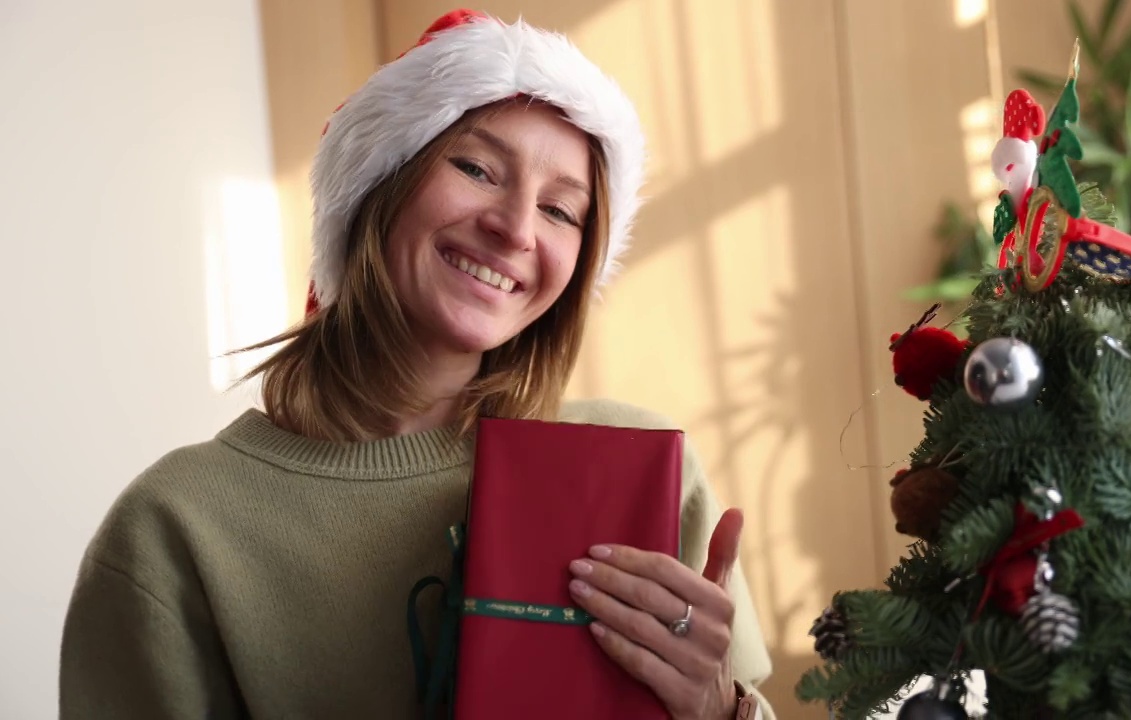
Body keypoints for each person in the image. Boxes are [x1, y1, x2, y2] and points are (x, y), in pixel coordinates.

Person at [59, 8, 776, 720]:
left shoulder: (644, 469)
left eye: (562, 210)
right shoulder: (173, 528)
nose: (516, 228)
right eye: (476, 168)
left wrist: (719, 707)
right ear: (377, 184)